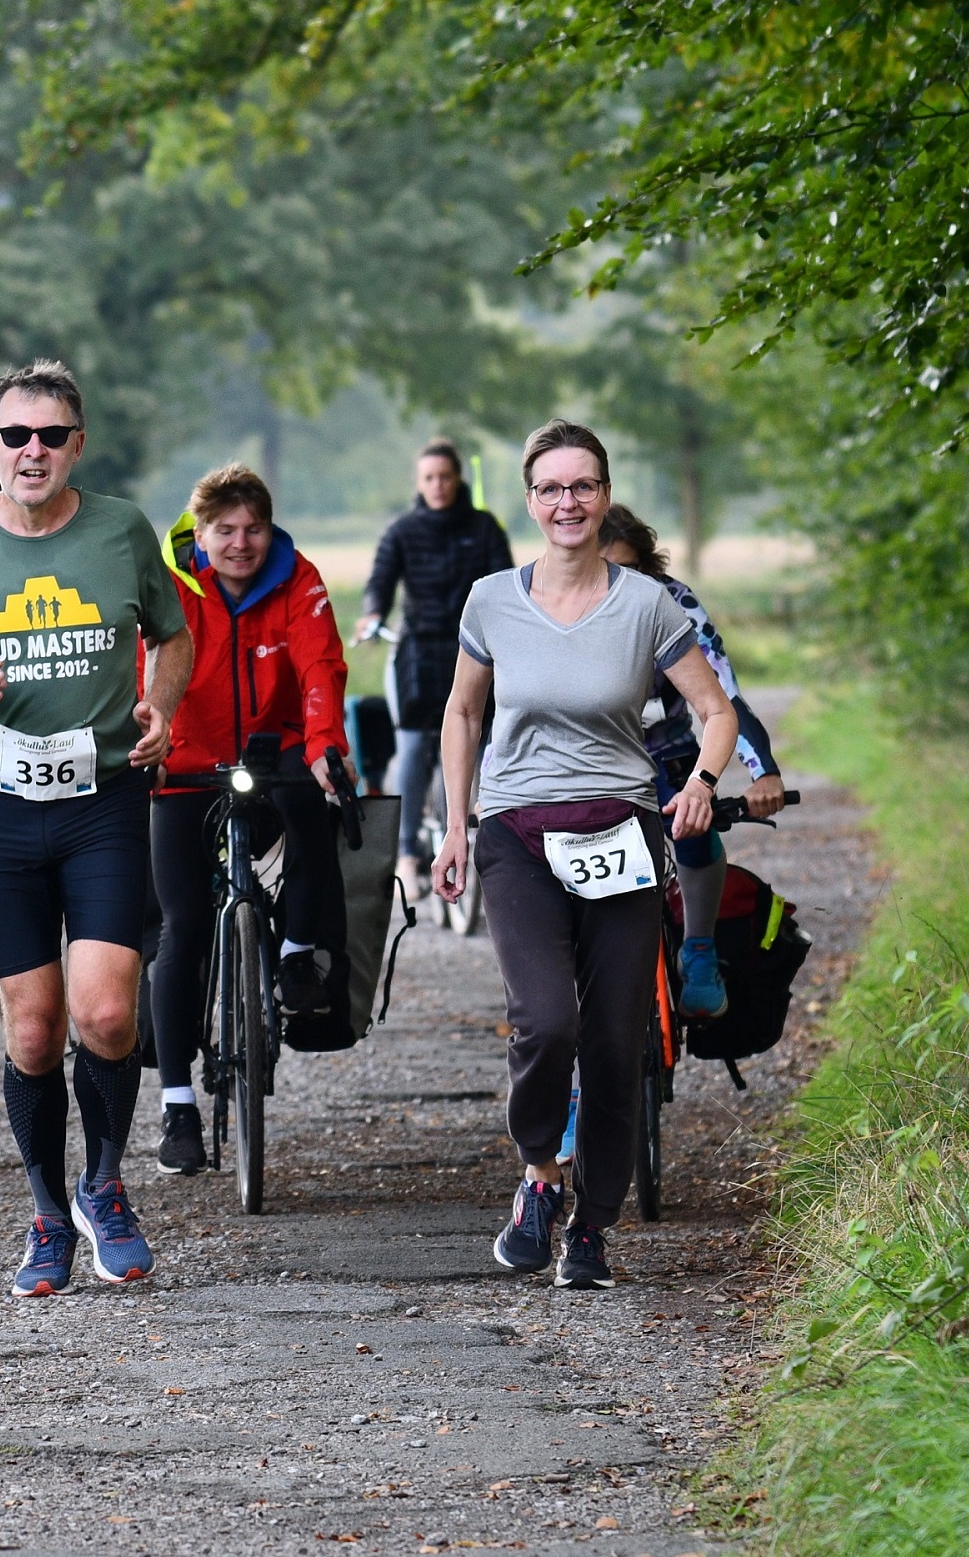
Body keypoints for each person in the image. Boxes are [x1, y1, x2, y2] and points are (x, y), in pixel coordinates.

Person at [0, 358, 194, 1296]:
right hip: (3, 807)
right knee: (33, 1028)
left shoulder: (122, 529)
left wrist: (158, 705)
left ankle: (105, 1185)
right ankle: (47, 1213)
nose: (32, 452)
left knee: (105, 1011)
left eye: (50, 436)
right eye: (15, 435)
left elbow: (172, 635)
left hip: (103, 798)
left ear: (76, 446)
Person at [432, 420, 739, 1290]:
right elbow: (462, 713)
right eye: (551, 488)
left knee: (615, 1037)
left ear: (604, 495)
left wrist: (704, 781)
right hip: (519, 833)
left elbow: (714, 712)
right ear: (530, 502)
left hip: (623, 833)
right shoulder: (492, 599)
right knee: (546, 1021)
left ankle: (593, 1226)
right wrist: (457, 824)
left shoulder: (647, 605)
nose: (568, 502)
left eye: (584, 486)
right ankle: (538, 1177)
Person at [149, 464, 351, 1175]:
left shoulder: (299, 578)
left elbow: (321, 667)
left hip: (276, 754)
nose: (241, 543)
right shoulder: (170, 583)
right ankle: (177, 1105)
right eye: (225, 530)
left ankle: (297, 955)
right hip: (183, 764)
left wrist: (327, 747)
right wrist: (145, 742)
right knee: (182, 926)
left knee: (312, 809)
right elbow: (137, 665)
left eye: (254, 528)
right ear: (199, 532)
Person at [599, 506, 786, 1016]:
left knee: (693, 820)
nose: (619, 585)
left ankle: (698, 948)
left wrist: (762, 770)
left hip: (665, 752)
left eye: (631, 571)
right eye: (605, 571)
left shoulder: (674, 602)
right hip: (589, 760)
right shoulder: (555, 605)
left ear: (650, 568)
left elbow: (724, 695)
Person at [358, 439, 513, 898]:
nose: (438, 485)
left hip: (473, 653)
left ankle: (478, 833)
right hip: (416, 653)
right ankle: (406, 852)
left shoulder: (484, 528)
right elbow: (380, 582)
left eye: (445, 476)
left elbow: (504, 582)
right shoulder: (402, 531)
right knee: (410, 747)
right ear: (418, 483)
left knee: (483, 743)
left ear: (457, 478)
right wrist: (372, 614)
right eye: (429, 478)